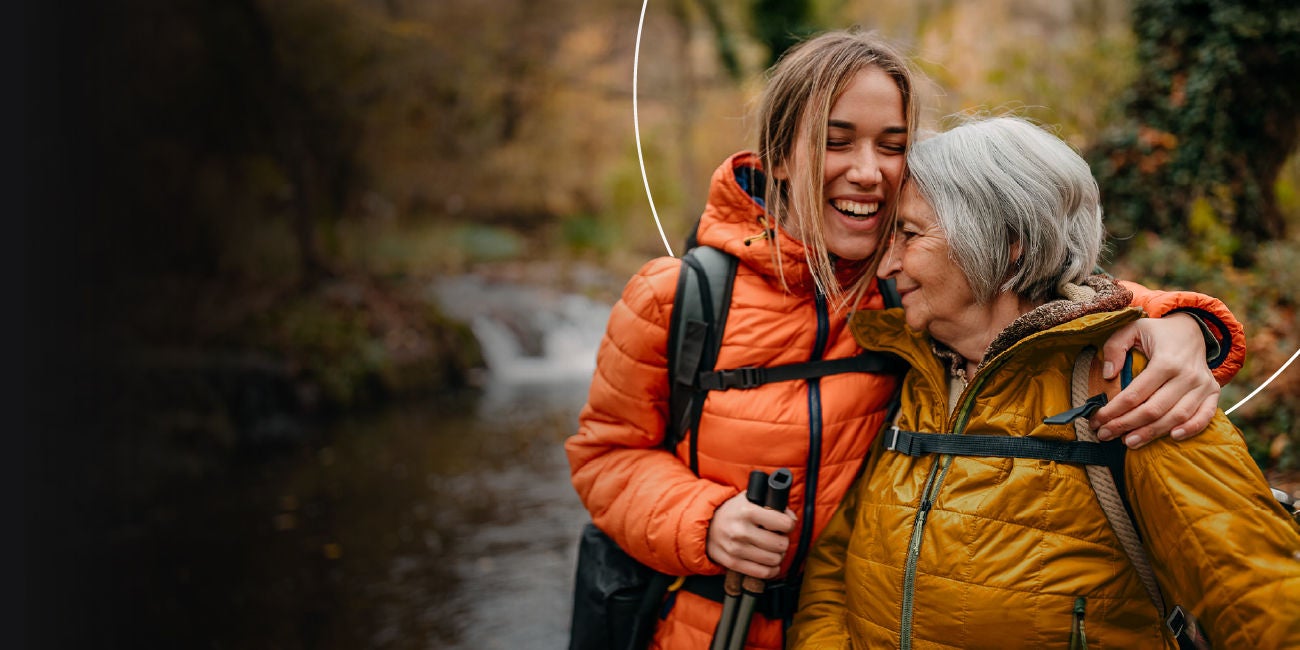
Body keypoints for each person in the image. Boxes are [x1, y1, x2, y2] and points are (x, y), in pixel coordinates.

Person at [566, 30, 1245, 650]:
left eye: (892, 146)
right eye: (836, 142)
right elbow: (605, 455)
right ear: (777, 156)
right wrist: (704, 520)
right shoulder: (677, 296)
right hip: (708, 629)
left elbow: (1050, 289)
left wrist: (1181, 322)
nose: (869, 171)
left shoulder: (912, 285)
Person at [788, 116, 1300, 649]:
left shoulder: (1131, 388)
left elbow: (1260, 598)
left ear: (1008, 241)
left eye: (911, 234)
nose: (887, 264)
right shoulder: (912, 376)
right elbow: (832, 575)